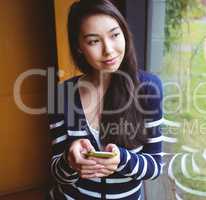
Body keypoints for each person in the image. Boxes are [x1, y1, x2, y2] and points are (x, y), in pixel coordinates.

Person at [47, 0, 163, 199]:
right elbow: (58, 173)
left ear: (124, 33)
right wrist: (69, 160)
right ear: (79, 46)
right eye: (94, 41)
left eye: (114, 35)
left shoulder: (148, 88)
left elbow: (155, 166)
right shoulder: (61, 94)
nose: (108, 49)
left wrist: (122, 160)